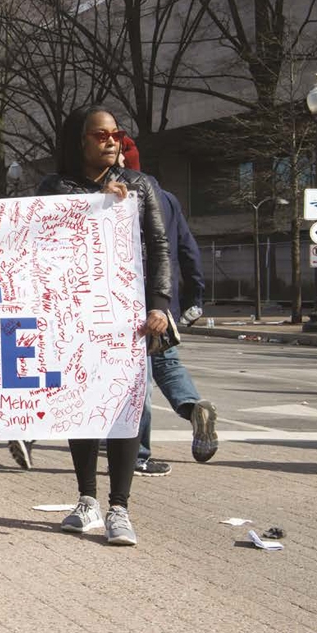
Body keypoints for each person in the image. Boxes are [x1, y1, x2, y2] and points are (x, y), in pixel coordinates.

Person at [38, 106, 172, 546]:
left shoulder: (140, 186)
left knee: (123, 408)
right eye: (100, 135)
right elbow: (39, 242)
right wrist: (93, 208)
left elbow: (159, 246)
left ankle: (120, 507)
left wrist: (160, 305)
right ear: (80, 140)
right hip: (75, 316)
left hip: (128, 318)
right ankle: (86, 500)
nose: (111, 141)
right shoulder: (56, 188)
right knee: (83, 405)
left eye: (116, 134)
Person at [116, 136, 219, 473]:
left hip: (125, 296)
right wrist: (194, 296)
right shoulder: (169, 199)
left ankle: (138, 453)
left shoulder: (112, 197)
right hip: (164, 297)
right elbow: (187, 249)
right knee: (166, 363)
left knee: (137, 377)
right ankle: (193, 407)